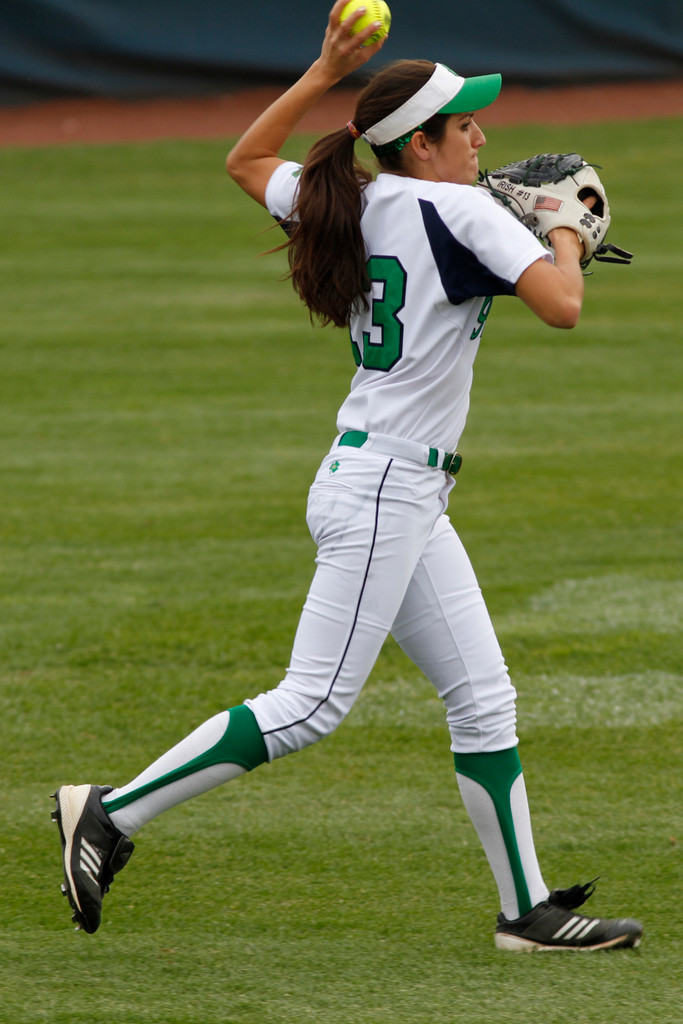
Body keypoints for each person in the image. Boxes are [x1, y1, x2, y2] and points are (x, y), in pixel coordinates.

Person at [52, 1, 642, 951]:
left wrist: (324, 71)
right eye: (463, 124)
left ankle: (525, 912)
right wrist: (564, 230)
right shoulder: (455, 210)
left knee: (484, 698)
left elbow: (245, 162)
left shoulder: (356, 199)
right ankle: (108, 812)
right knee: (312, 703)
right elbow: (563, 307)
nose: (481, 135)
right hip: (383, 494)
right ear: (419, 145)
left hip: (389, 488)